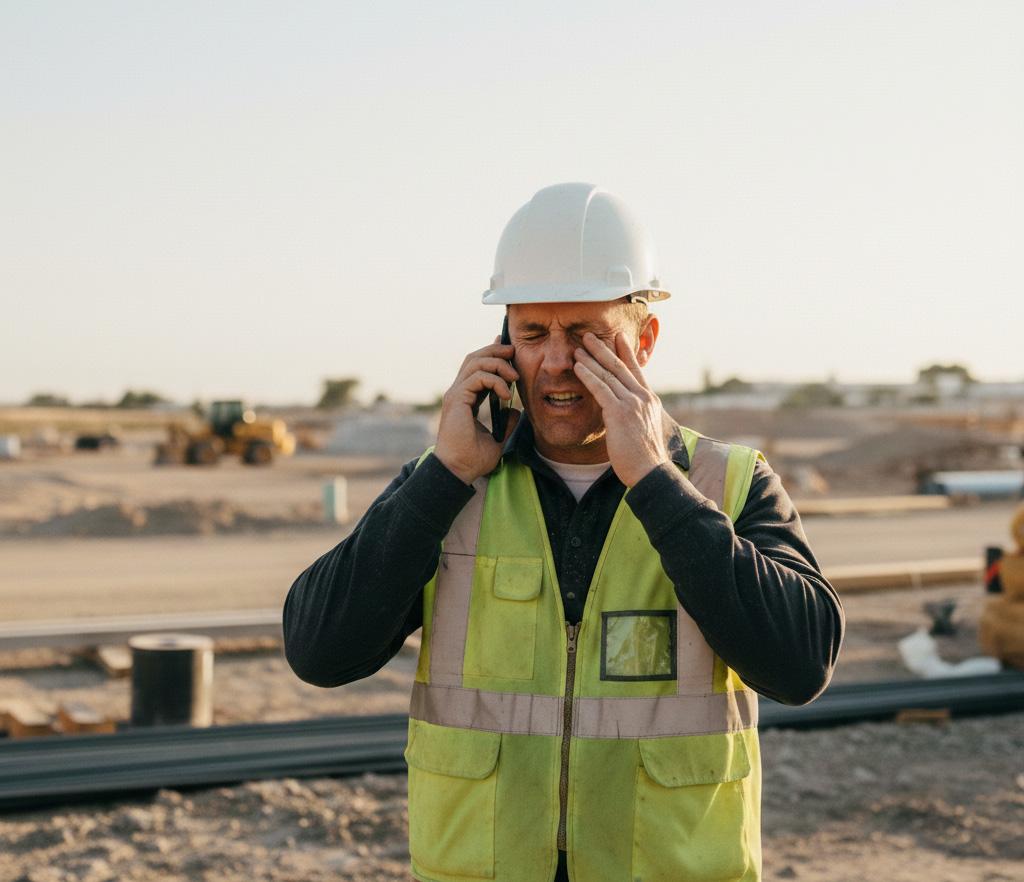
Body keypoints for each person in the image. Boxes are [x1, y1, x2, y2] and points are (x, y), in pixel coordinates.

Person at [284, 182, 844, 882]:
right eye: (533, 333)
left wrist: (654, 481)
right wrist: (444, 475)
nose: (554, 361)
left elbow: (801, 666)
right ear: (501, 345)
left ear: (645, 340)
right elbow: (317, 651)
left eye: (583, 334)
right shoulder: (448, 486)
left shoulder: (726, 484)